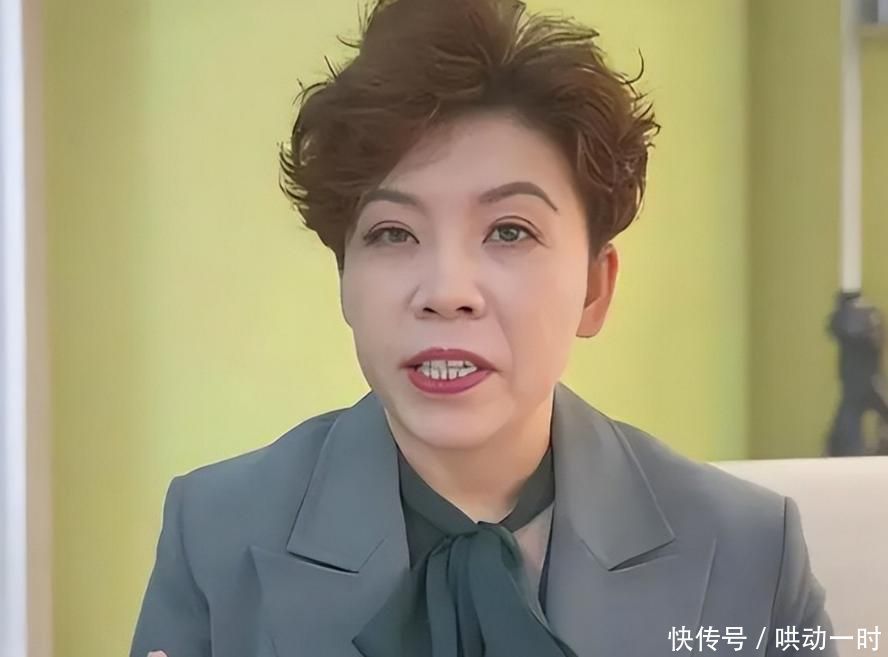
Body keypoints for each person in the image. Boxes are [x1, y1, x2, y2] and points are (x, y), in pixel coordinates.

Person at [130, 0, 838, 655]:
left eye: (509, 230)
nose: (446, 293)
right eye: (392, 233)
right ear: (344, 278)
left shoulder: (751, 553)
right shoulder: (215, 536)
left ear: (595, 288)